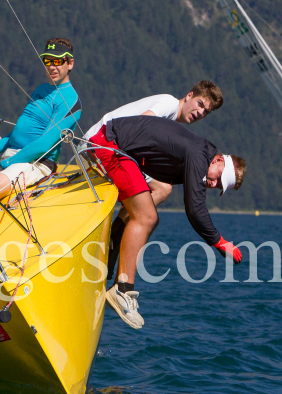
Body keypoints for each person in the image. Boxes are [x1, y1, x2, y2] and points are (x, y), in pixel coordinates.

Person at [88, 115, 247, 329]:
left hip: (117, 148)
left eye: (219, 186)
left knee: (153, 206)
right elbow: (194, 208)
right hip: (108, 145)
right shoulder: (198, 155)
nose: (213, 183)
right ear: (218, 160)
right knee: (147, 217)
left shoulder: (198, 154)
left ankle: (114, 243)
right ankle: (122, 290)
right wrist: (219, 241)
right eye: (218, 178)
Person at [82, 82, 225, 278]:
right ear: (189, 95)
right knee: (162, 189)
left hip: (110, 146)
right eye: (200, 104)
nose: (200, 112)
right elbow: (141, 126)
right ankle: (118, 234)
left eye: (206, 112)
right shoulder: (168, 104)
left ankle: (120, 232)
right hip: (102, 143)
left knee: (162, 187)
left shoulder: (172, 122)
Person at [0, 38, 82, 215]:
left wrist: (6, 164)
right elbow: (17, 135)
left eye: (57, 61)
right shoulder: (41, 89)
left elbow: (43, 145)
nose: (51, 67)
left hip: (37, 162)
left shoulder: (70, 100)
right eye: (47, 61)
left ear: (70, 63)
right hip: (11, 158)